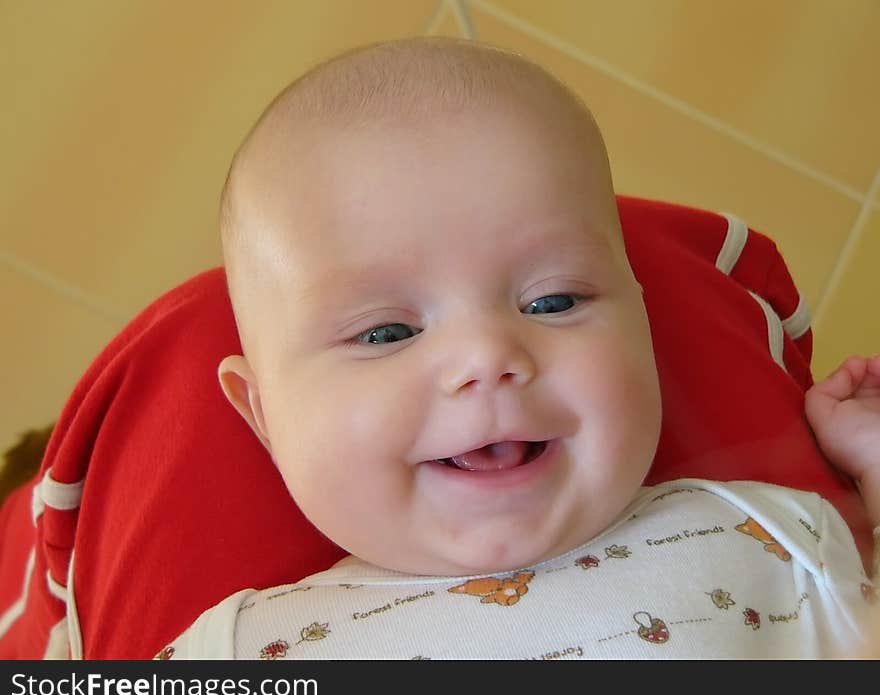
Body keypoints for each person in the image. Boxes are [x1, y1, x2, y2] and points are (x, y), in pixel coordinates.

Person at [160, 37, 878, 659]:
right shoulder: (237, 651)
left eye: (553, 302)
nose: (487, 356)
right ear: (262, 415)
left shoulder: (768, 535)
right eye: (386, 333)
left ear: (644, 324)